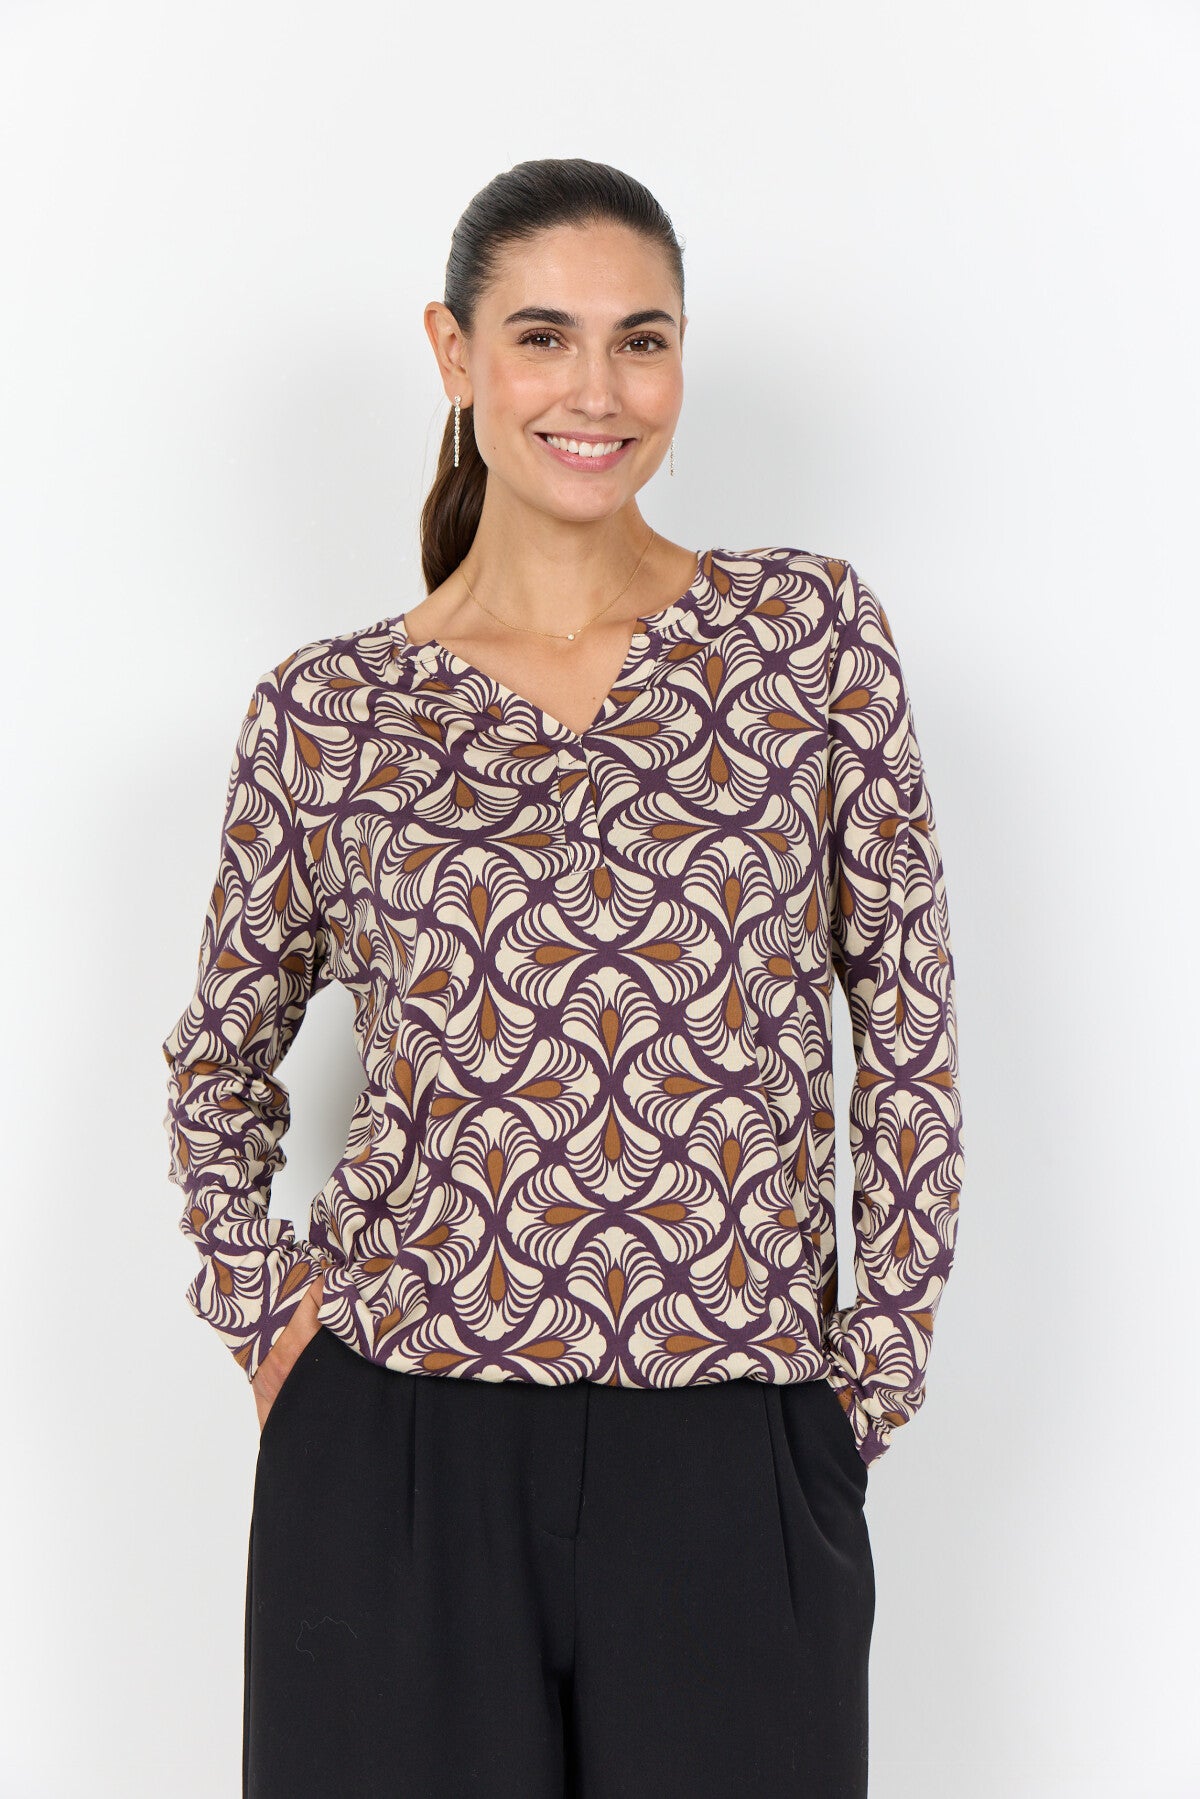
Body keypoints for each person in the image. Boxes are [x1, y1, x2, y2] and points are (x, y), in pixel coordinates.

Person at [161, 156, 964, 1799]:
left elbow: (908, 1026)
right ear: (454, 354)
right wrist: (271, 1327)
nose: (596, 390)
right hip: (399, 1450)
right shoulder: (331, 713)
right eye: (543, 337)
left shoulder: (808, 643)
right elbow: (217, 1063)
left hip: (734, 1434)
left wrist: (857, 1388)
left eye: (640, 340)